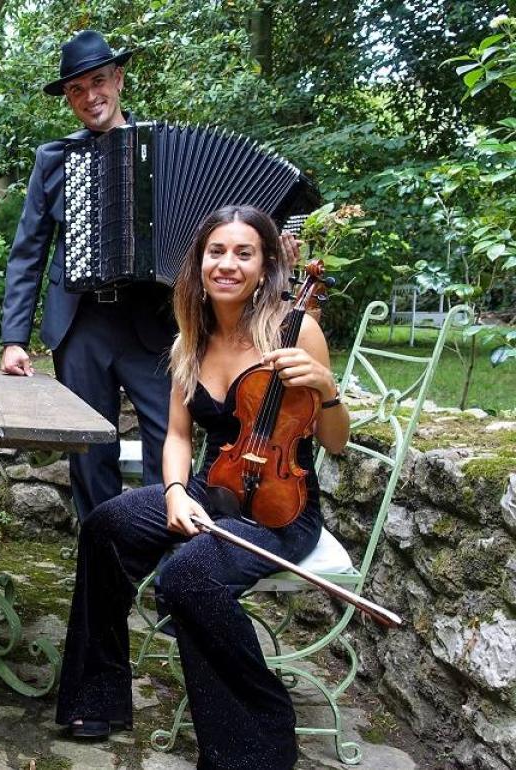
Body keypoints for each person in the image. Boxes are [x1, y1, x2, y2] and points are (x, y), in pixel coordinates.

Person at [55, 205, 350, 768]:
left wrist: (328, 390)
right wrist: (172, 492)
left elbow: (334, 442)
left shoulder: (296, 329)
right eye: (217, 252)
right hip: (213, 489)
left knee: (186, 578)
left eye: (244, 253)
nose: (228, 264)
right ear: (201, 261)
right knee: (104, 526)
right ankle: (97, 696)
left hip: (280, 511)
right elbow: (178, 436)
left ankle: (255, 739)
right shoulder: (193, 334)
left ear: (265, 266)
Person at [0, 29, 176, 520]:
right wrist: (14, 338)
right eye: (76, 89)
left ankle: (165, 557)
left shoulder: (161, 147)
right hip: (80, 326)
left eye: (98, 81)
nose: (89, 97)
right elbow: (28, 251)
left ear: (118, 79)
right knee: (90, 451)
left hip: (151, 323)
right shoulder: (53, 159)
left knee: (167, 439)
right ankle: (103, 554)